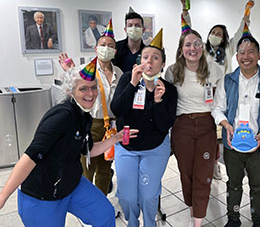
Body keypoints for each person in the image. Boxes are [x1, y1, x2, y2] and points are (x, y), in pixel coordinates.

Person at [0, 64, 138, 227]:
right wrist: (3, 197)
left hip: (71, 184)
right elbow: (30, 157)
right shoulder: (62, 116)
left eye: (94, 88)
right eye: (83, 89)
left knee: (105, 214)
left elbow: (88, 149)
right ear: (69, 91)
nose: (91, 93)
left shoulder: (84, 115)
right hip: (42, 195)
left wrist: (116, 138)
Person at [180, 0, 255, 180]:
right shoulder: (201, 49)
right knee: (206, 127)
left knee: (216, 130)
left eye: (220, 34)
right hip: (202, 92)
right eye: (214, 32)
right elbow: (187, 32)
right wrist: (185, 10)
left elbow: (241, 32)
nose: (216, 35)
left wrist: (247, 13)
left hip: (222, 92)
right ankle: (205, 160)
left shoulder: (228, 49)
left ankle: (214, 162)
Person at [111, 29, 177, 227]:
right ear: (140, 61)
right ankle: (133, 223)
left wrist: (158, 102)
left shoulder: (168, 90)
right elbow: (117, 109)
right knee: (128, 197)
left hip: (155, 149)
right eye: (145, 57)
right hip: (126, 147)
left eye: (155, 58)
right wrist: (132, 83)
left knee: (149, 196)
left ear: (162, 64)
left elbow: (165, 125)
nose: (150, 61)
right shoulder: (127, 80)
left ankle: (150, 224)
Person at [211, 35, 260, 227]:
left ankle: (257, 220)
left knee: (257, 186)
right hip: (232, 144)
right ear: (237, 56)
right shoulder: (228, 80)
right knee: (233, 184)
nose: (245, 56)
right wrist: (226, 125)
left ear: (259, 55)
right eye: (241, 52)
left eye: (250, 52)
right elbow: (217, 108)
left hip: (259, 145)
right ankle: (233, 219)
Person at [165, 29, 222, 227]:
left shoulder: (214, 69)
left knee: (203, 174)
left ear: (203, 47)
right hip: (182, 127)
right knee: (186, 173)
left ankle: (198, 222)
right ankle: (192, 210)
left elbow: (219, 101)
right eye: (188, 44)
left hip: (207, 125)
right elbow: (167, 103)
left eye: (197, 43)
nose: (193, 48)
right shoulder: (172, 71)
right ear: (181, 49)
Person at [59, 19, 123, 196]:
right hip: (90, 123)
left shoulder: (119, 72)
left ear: (115, 51)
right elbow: (72, 89)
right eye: (103, 44)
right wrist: (69, 71)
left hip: (112, 125)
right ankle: (85, 203)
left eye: (110, 45)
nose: (106, 48)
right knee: (87, 167)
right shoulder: (86, 69)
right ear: (96, 48)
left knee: (105, 168)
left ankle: (101, 201)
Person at [112, 7, 146, 73]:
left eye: (137, 25)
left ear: (143, 30)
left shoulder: (147, 51)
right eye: (130, 25)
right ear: (125, 30)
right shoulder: (116, 48)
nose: (134, 28)